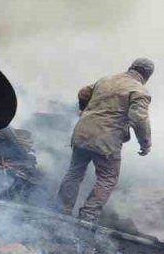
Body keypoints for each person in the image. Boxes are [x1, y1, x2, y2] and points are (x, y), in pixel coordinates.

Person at [57, 58, 154, 222]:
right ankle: (88, 216)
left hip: (83, 132)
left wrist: (86, 110)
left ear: (131, 67)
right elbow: (139, 119)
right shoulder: (139, 91)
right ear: (147, 75)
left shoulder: (105, 80)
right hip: (107, 140)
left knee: (74, 172)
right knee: (107, 177)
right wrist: (145, 143)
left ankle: (62, 209)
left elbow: (83, 93)